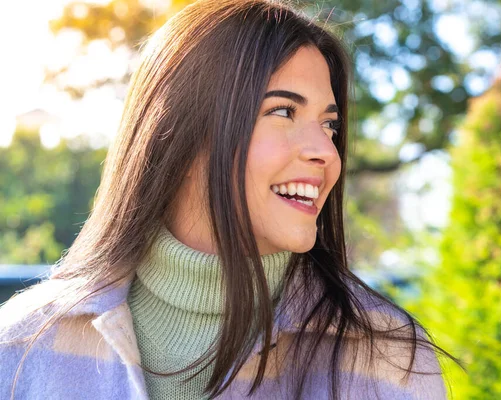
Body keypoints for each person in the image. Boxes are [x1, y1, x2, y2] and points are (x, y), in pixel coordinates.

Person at [0, 0, 462, 399]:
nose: (326, 152)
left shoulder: (391, 358)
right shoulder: (20, 347)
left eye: (329, 124)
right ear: (182, 132)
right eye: (283, 111)